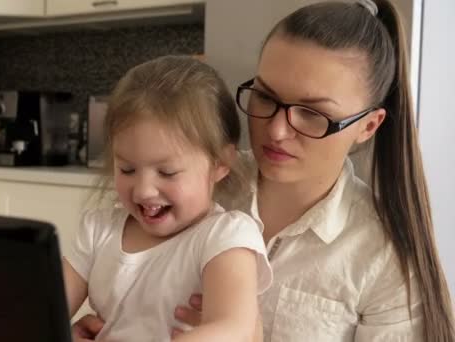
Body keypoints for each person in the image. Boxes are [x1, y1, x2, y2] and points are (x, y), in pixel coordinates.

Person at [73, 1, 455, 341]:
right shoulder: (189, 178)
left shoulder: (383, 256)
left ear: (368, 126)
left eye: (312, 113)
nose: (275, 130)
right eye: (266, 96)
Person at [62, 55, 273, 342]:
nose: (144, 190)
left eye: (167, 172)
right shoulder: (98, 230)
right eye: (127, 168)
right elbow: (41, 312)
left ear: (220, 163)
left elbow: (233, 329)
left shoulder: (227, 237)